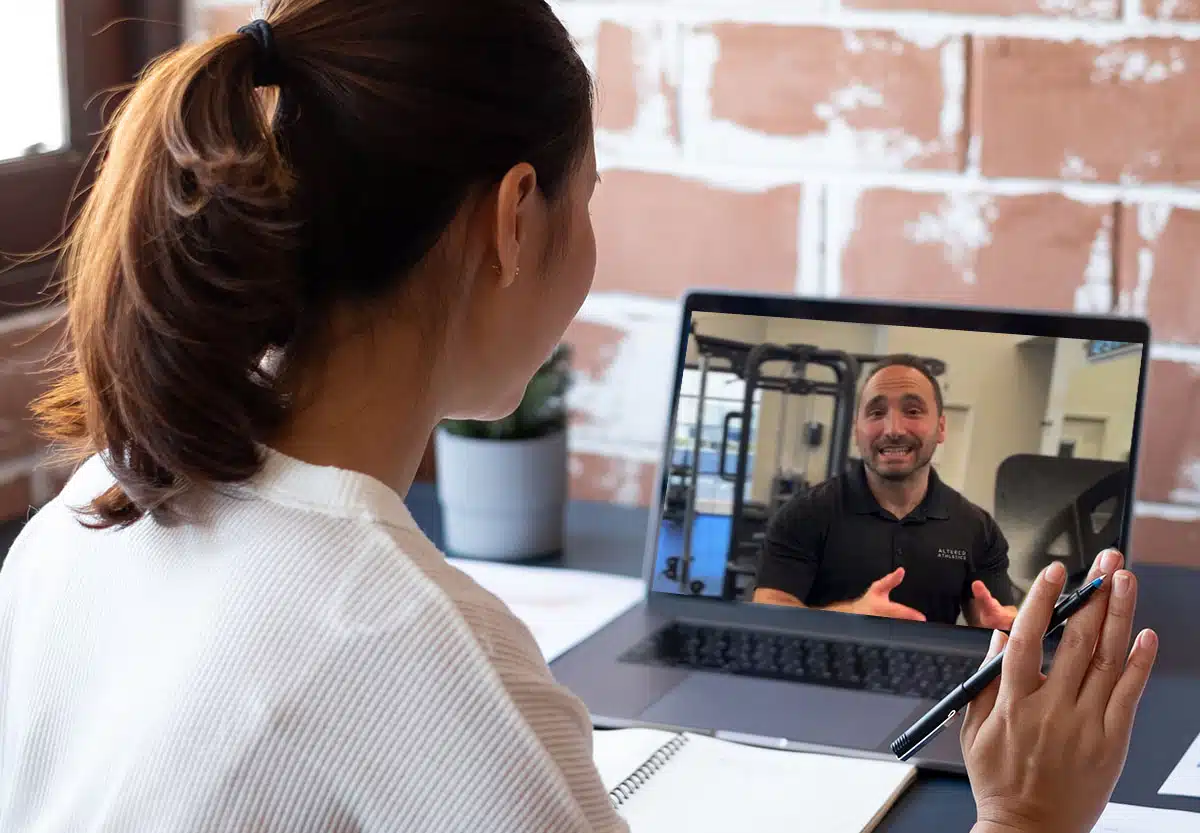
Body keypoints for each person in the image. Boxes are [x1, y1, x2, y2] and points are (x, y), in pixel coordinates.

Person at [0, 3, 1157, 832]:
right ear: (514, 216)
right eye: (588, 195)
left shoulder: (87, 508)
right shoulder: (402, 647)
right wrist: (1026, 814)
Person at [753, 354, 1019, 630]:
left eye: (913, 411)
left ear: (940, 427)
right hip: (825, 669)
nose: (893, 430)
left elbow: (995, 617)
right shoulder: (804, 515)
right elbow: (768, 611)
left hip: (930, 673)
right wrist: (851, 614)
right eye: (877, 413)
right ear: (857, 430)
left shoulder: (978, 528)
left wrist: (1001, 629)